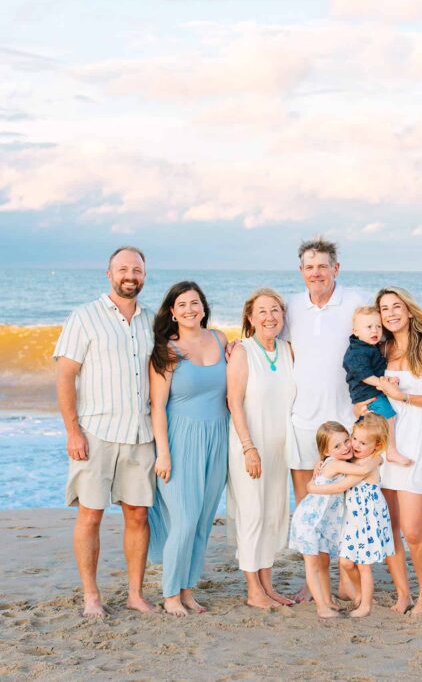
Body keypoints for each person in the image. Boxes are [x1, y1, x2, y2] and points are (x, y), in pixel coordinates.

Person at [53, 245, 158, 617]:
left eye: (138, 270)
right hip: (95, 433)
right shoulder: (84, 317)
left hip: (140, 435)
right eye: (124, 269)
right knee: (91, 515)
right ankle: (91, 596)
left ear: (145, 275)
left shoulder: (152, 320)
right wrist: (73, 431)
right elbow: (65, 375)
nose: (131, 276)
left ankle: (135, 594)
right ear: (109, 274)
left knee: (138, 516)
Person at [147, 281, 230, 617]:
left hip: (218, 437)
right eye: (182, 305)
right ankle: (169, 594)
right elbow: (157, 407)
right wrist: (163, 453)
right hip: (180, 439)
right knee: (183, 518)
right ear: (172, 311)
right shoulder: (167, 350)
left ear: (203, 306)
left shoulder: (221, 339)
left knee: (202, 520)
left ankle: (188, 590)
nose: (190, 310)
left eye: (195, 303)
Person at [369, 287, 422, 617]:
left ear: (408, 309)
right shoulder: (381, 348)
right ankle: (403, 594)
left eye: (396, 306)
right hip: (386, 446)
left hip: (417, 444)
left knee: (413, 530)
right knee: (390, 528)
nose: (390, 313)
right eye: (384, 309)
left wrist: (404, 398)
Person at [226, 288, 297, 609]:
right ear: (251, 318)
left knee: (273, 513)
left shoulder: (288, 350)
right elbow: (234, 402)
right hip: (250, 444)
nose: (269, 317)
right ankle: (253, 589)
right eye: (262, 312)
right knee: (252, 512)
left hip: (280, 447)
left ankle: (267, 586)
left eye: (275, 311)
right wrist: (247, 447)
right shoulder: (242, 351)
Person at [284, 238, 368, 506]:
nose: (315, 273)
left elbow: (379, 341)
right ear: (301, 271)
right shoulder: (292, 306)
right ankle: (307, 548)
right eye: (309, 267)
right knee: (305, 497)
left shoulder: (356, 301)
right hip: (302, 418)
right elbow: (279, 347)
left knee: (345, 497)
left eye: (322, 266)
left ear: (336, 268)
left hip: (345, 416)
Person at [305, 414, 394, 619]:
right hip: (352, 520)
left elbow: (341, 486)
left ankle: (365, 604)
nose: (355, 445)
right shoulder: (353, 460)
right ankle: (360, 593)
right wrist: (319, 465)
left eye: (363, 442)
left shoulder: (369, 462)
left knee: (363, 565)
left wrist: (311, 488)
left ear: (377, 445)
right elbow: (333, 464)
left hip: (367, 518)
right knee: (346, 563)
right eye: (354, 439)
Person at [288, 421, 380, 618]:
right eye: (337, 446)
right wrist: (378, 459)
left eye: (347, 440)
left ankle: (328, 600)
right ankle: (322, 606)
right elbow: (362, 472)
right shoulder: (336, 464)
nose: (346, 447)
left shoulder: (338, 462)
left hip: (322, 522)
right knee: (313, 565)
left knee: (324, 563)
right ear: (326, 451)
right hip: (309, 521)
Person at [343, 305, 412, 467]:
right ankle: (391, 451)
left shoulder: (369, 347)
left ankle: (365, 452)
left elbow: (376, 369)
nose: (375, 331)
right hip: (367, 395)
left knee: (371, 426)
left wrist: (386, 380)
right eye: (369, 327)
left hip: (372, 392)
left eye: (378, 326)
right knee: (389, 417)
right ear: (356, 331)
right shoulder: (357, 351)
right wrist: (383, 383)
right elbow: (364, 374)